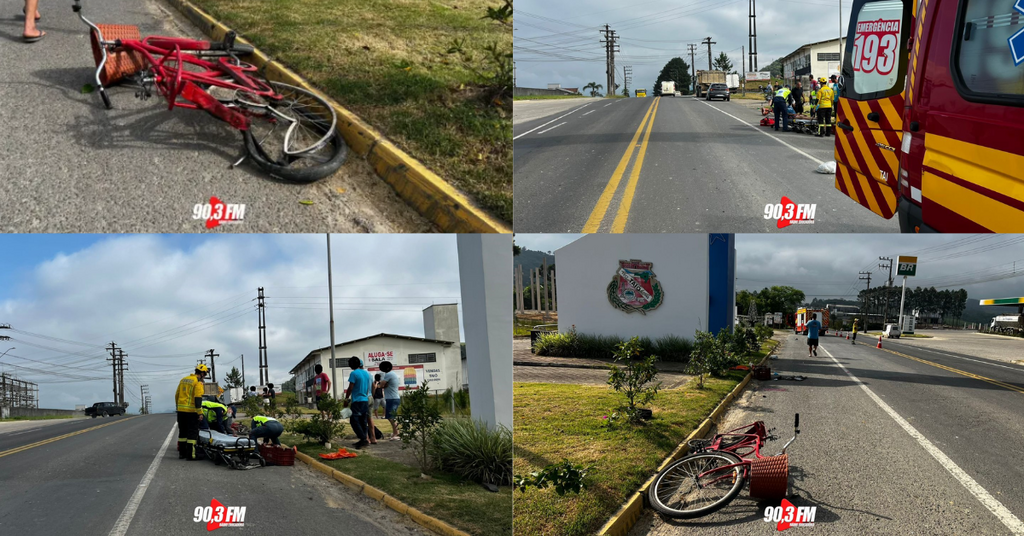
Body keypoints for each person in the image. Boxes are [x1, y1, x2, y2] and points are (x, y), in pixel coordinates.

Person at [175, 364, 207, 460]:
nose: (204, 377)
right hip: (192, 411)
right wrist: (200, 412)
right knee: (192, 433)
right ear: (202, 373)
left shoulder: (183, 380)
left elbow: (177, 395)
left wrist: (178, 407)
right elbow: (198, 398)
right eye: (205, 375)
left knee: (182, 433)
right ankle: (191, 455)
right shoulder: (198, 382)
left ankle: (182, 453)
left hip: (181, 411)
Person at [344, 357, 372, 449]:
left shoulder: (354, 373)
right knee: (363, 421)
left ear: (352, 365)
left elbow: (351, 387)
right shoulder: (366, 373)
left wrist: (346, 399)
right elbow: (368, 387)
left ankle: (363, 438)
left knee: (354, 421)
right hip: (365, 399)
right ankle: (363, 440)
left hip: (357, 401)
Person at [379, 361, 402, 441]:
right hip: (392, 398)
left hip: (392, 398)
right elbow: (384, 385)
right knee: (390, 417)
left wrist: (382, 385)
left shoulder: (389, 374)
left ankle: (396, 433)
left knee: (391, 417)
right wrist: (384, 385)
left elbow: (381, 385)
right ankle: (395, 432)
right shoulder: (392, 374)